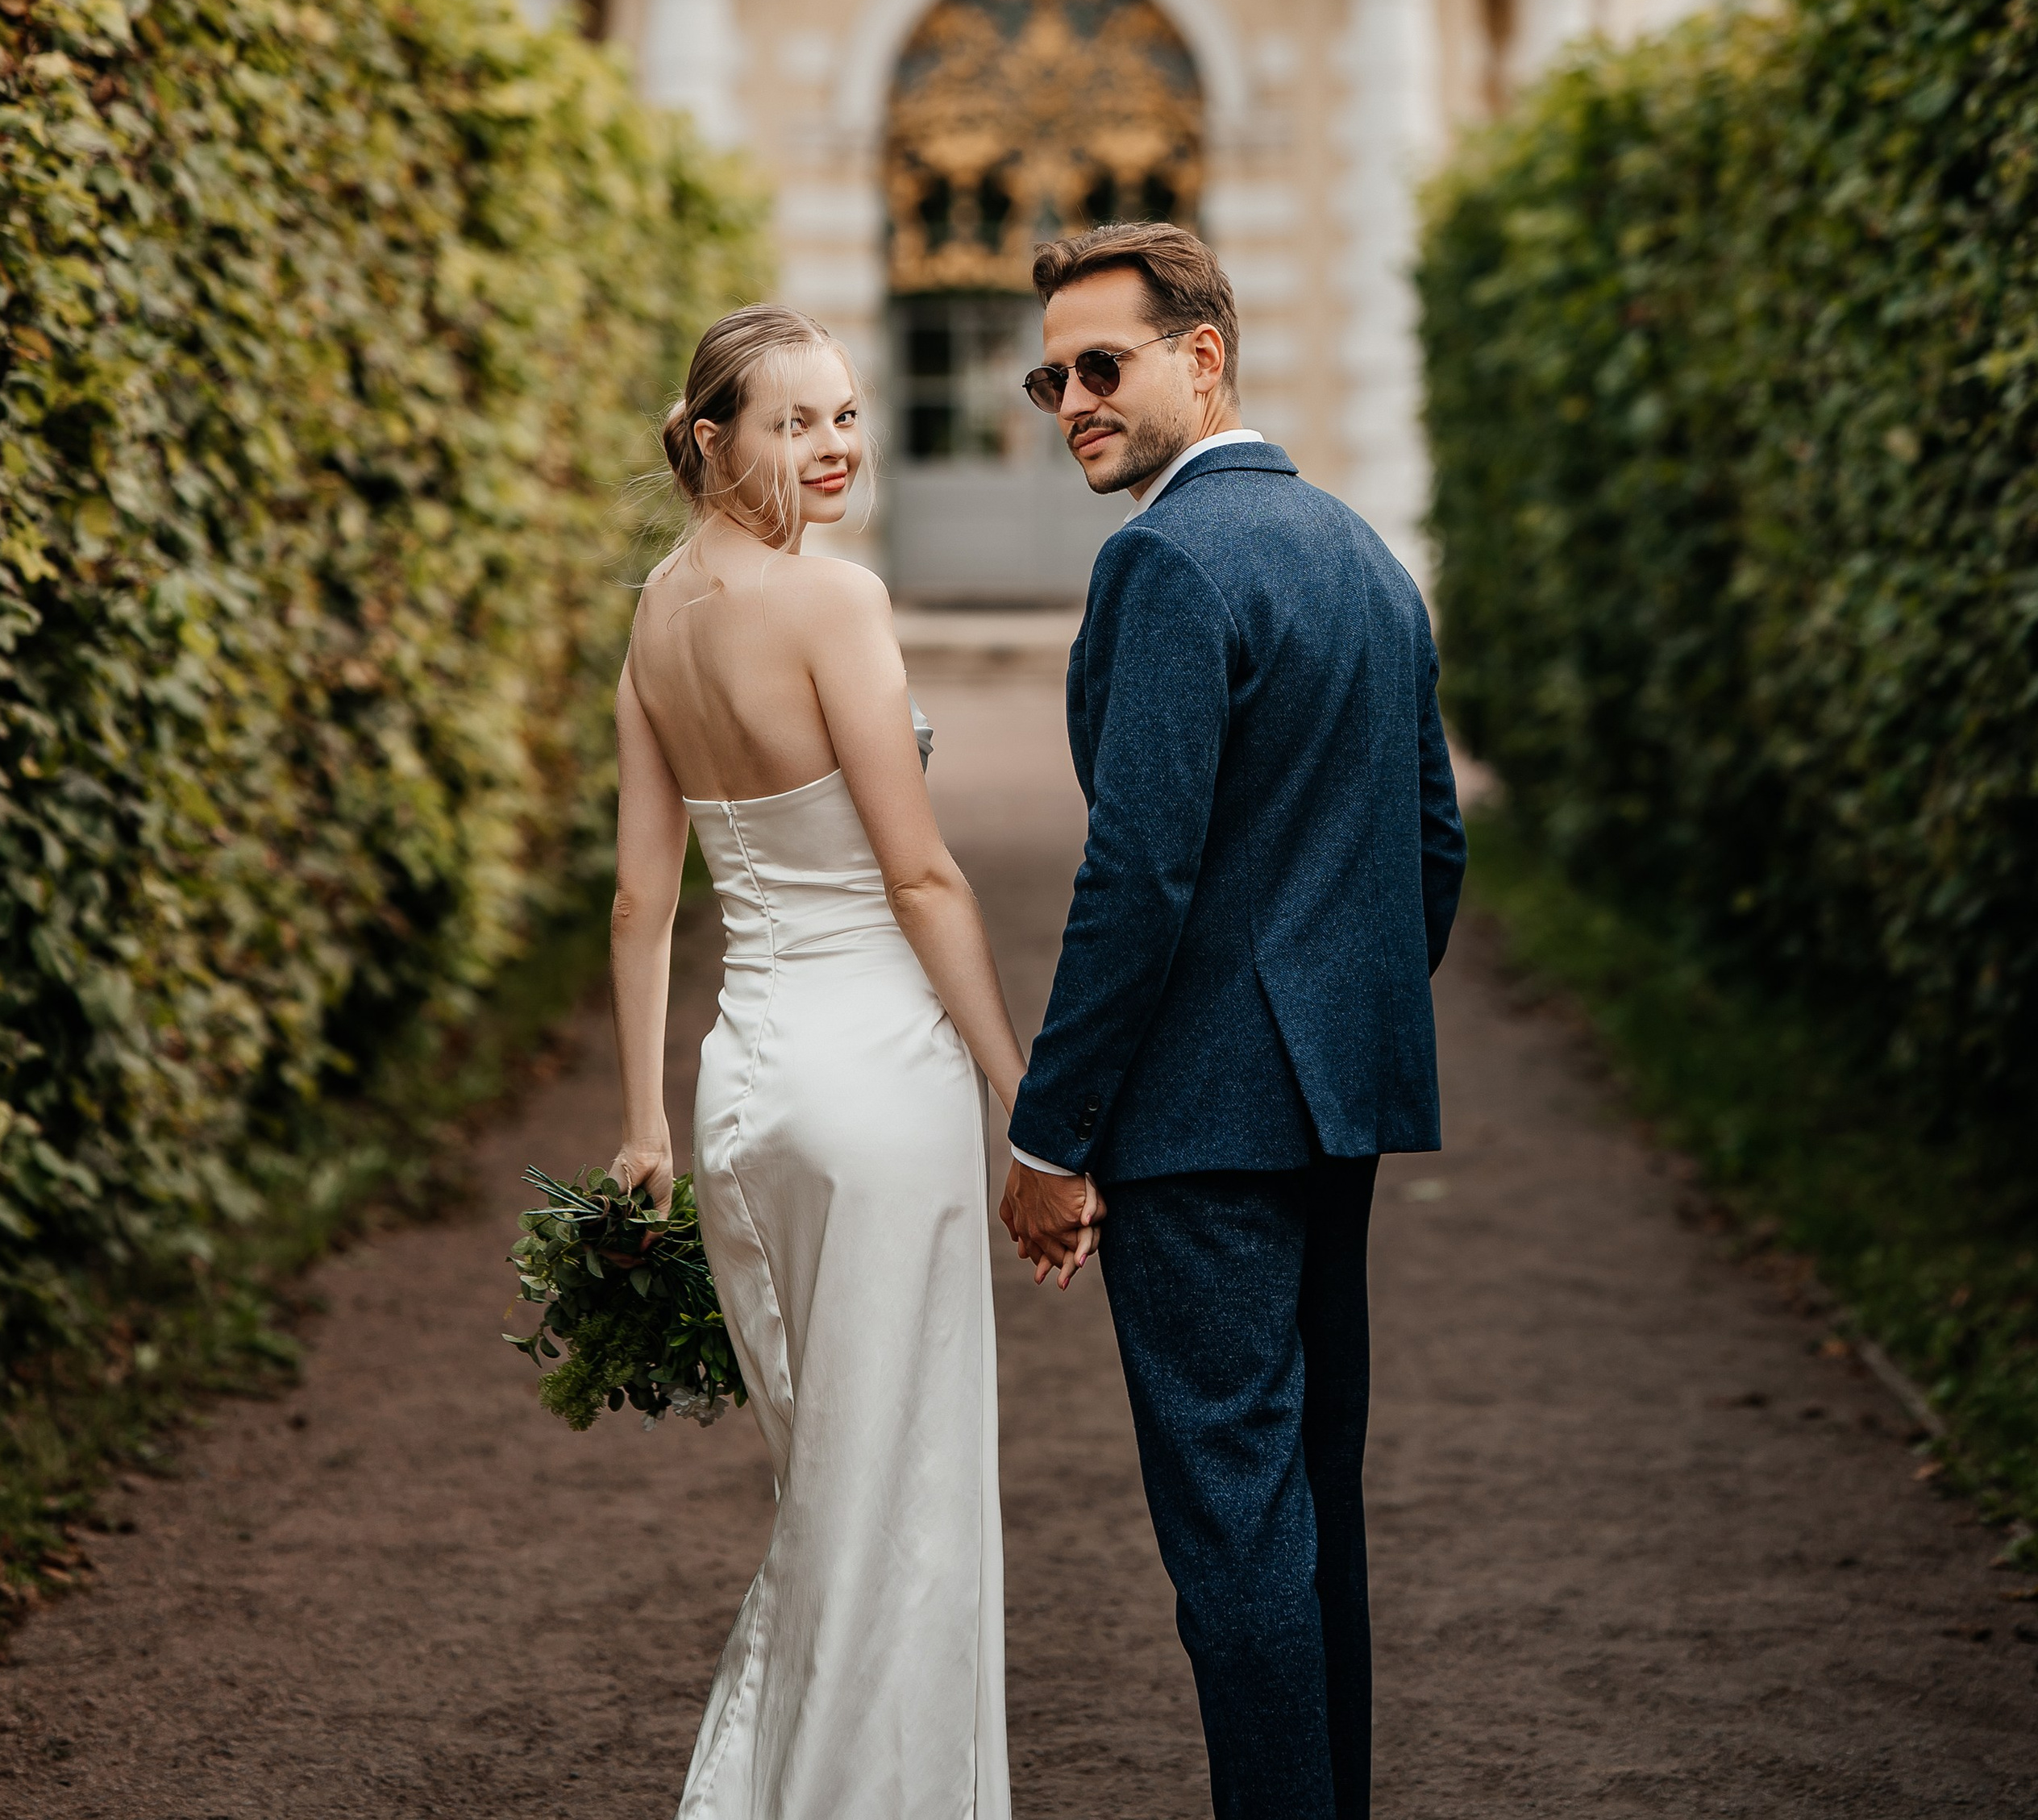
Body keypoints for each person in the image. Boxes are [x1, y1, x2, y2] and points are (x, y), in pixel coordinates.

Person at [999, 222, 1469, 1820]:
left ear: (1203, 356)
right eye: (1048, 372)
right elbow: (1430, 847)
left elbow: (1135, 872)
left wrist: (1052, 1132)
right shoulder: (1363, 555)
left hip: (1196, 1128)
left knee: (1234, 1528)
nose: (1070, 395)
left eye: (1102, 363)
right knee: (1307, 1506)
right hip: (1333, 1108)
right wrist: (1341, 1025)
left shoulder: (1163, 559)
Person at [607, 303, 1079, 1820]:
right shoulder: (837, 604)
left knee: (826, 1485)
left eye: (845, 414)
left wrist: (643, 1126)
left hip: (744, 1091)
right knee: (901, 1490)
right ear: (715, 440)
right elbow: (925, 879)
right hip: (879, 1082)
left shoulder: (654, 615)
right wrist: (1024, 1090)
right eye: (793, 420)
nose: (833, 445)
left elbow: (641, 900)